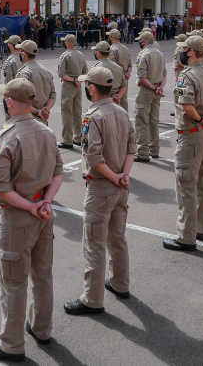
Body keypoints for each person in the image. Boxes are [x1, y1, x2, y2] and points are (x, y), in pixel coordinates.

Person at [0, 79, 64, 362]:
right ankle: (42, 328)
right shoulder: (46, 131)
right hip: (43, 211)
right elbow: (58, 173)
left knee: (14, 281)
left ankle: (11, 344)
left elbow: (1, 187)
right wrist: (45, 202)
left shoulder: (6, 137)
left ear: (9, 101)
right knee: (43, 274)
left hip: (20, 215)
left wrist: (32, 207)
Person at [64, 66, 135, 315]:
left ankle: (92, 299)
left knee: (94, 243)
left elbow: (93, 158)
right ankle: (120, 283)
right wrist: (123, 175)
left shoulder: (93, 116)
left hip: (102, 186)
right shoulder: (121, 112)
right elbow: (131, 148)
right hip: (120, 185)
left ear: (91, 88)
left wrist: (115, 177)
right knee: (117, 238)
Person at [164, 36, 203, 251]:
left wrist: (200, 118)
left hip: (191, 135)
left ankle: (186, 237)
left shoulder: (185, 76)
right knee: (202, 185)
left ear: (190, 52)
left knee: (186, 187)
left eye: (184, 49)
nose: (181, 52)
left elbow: (187, 106)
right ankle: (202, 228)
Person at [134, 31, 166, 162]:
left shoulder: (144, 54)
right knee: (153, 121)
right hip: (157, 90)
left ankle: (142, 152)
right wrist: (159, 88)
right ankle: (154, 150)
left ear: (144, 41)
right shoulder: (160, 54)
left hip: (147, 90)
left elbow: (142, 77)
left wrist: (154, 88)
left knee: (141, 121)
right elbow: (164, 74)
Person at [56, 34, 88, 149]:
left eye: (65, 41)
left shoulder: (65, 55)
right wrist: (78, 80)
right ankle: (78, 137)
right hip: (78, 86)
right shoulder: (81, 55)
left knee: (66, 112)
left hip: (68, 85)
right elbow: (86, 71)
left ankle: (67, 139)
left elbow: (61, 74)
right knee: (77, 112)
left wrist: (73, 80)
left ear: (68, 43)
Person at [16, 39, 57, 125]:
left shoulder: (24, 73)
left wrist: (38, 112)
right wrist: (46, 109)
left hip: (28, 119)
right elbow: (52, 96)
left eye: (20, 51)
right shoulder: (46, 71)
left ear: (23, 54)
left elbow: (22, 101)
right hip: (43, 120)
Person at [106, 29, 132, 112]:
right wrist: (128, 73)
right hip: (125, 77)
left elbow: (112, 66)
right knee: (123, 102)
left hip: (116, 78)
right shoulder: (125, 48)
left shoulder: (112, 49)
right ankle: (125, 122)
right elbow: (130, 65)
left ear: (112, 37)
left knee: (114, 102)